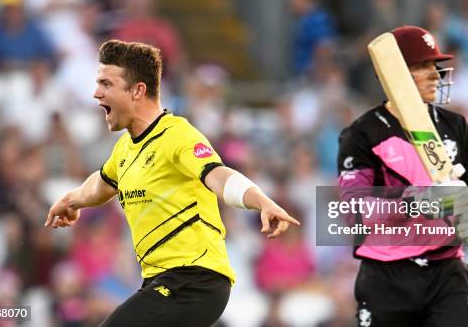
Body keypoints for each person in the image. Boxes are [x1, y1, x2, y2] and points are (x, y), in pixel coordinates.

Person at [45, 39, 300, 327]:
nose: (96, 93)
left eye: (106, 84)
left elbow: (218, 175)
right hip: (162, 283)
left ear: (137, 90)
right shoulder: (125, 149)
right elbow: (101, 183)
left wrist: (260, 200)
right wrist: (70, 201)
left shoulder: (177, 135)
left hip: (195, 280)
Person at [337, 26, 468, 327]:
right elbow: (353, 210)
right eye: (422, 66)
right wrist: (418, 202)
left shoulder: (456, 126)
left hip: (447, 267)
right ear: (394, 75)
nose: (435, 73)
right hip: (386, 272)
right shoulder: (362, 134)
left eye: (434, 64)